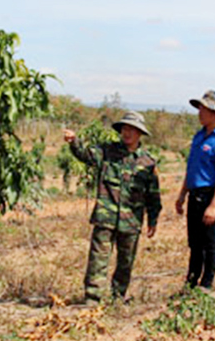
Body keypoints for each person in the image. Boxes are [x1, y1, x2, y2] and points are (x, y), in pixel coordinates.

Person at [63, 111, 162, 305]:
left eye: (132, 130)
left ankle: (118, 297)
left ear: (140, 133)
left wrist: (153, 219)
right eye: (125, 129)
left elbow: (153, 195)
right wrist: (74, 141)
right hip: (105, 217)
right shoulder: (107, 152)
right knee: (98, 260)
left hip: (131, 221)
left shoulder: (148, 163)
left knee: (125, 262)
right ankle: (93, 299)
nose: (127, 133)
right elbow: (85, 154)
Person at [175, 90, 215, 291]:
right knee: (194, 244)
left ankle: (207, 284)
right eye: (200, 108)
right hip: (195, 195)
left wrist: (213, 205)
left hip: (210, 195)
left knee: (209, 242)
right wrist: (182, 194)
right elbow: (192, 169)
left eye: (203, 109)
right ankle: (191, 283)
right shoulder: (199, 137)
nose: (199, 112)